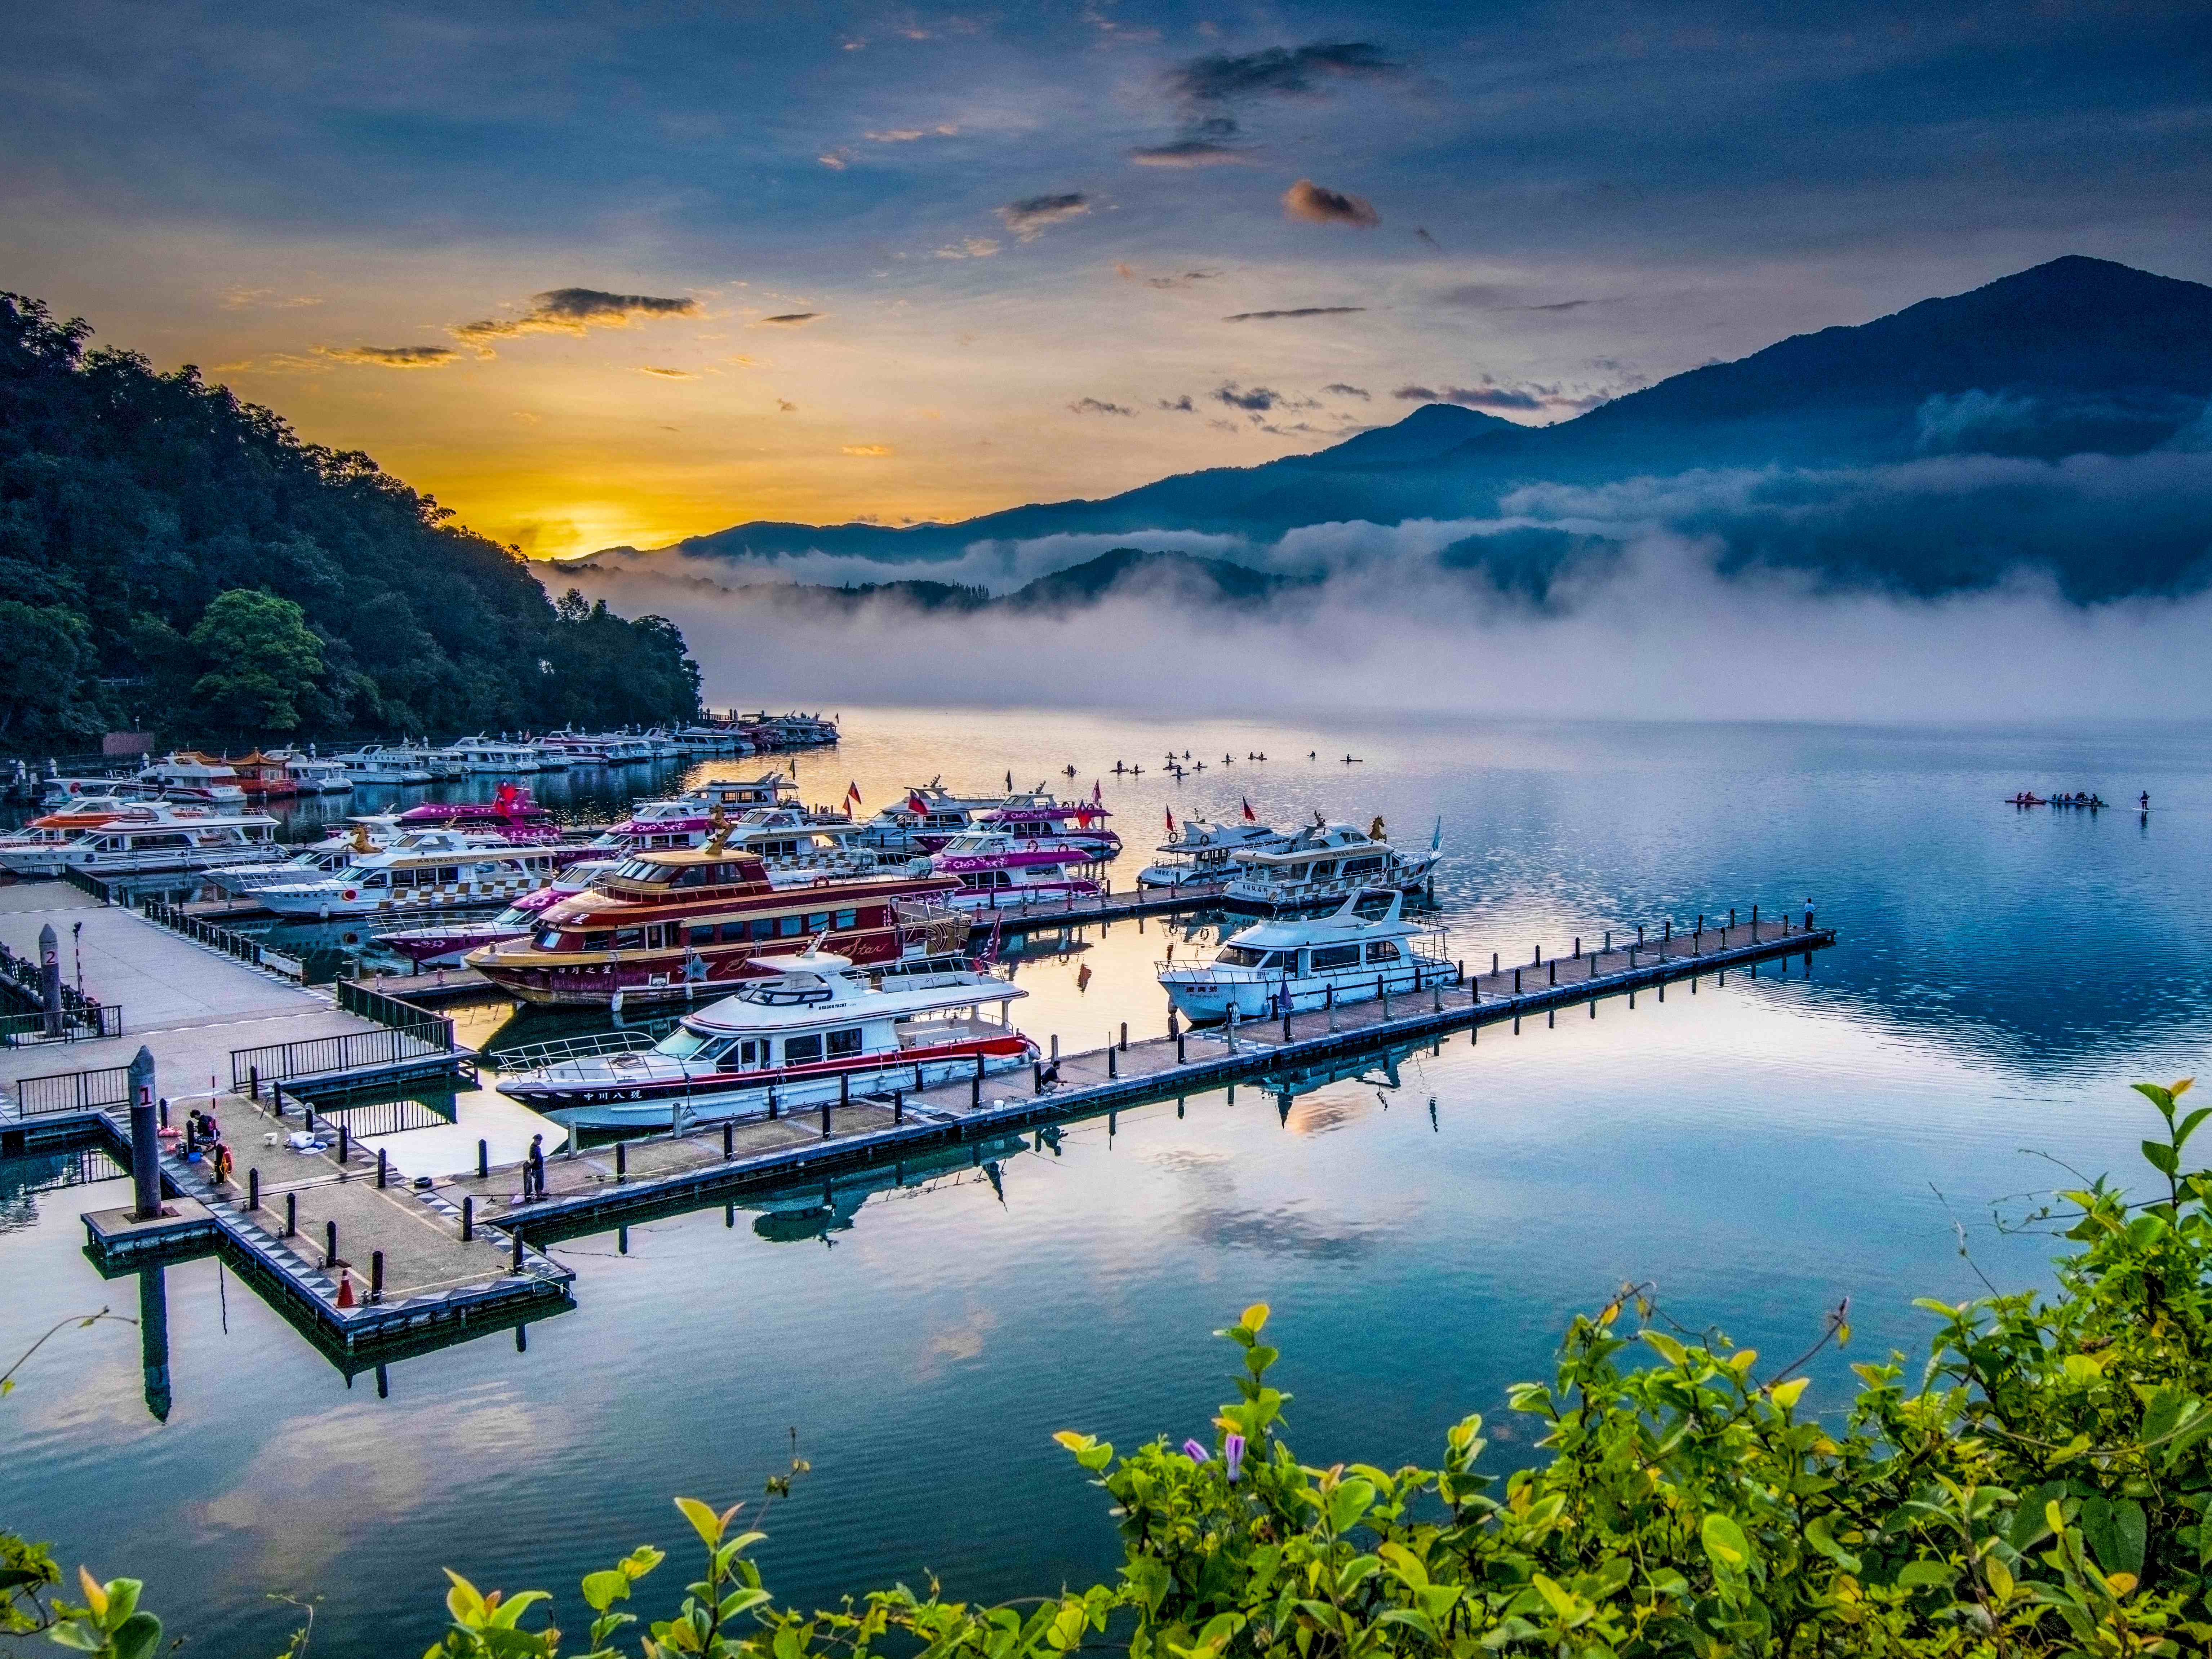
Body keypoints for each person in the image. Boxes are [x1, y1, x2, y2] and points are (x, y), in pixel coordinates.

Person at [526, 1133, 546, 1202]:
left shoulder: (537, 1147)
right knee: (538, 1182)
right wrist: (531, 1167)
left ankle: (541, 1192)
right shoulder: (533, 1148)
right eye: (540, 1141)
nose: (540, 1142)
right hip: (536, 1168)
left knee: (541, 1181)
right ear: (536, 1140)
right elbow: (532, 1159)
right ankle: (539, 1195)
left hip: (540, 1167)